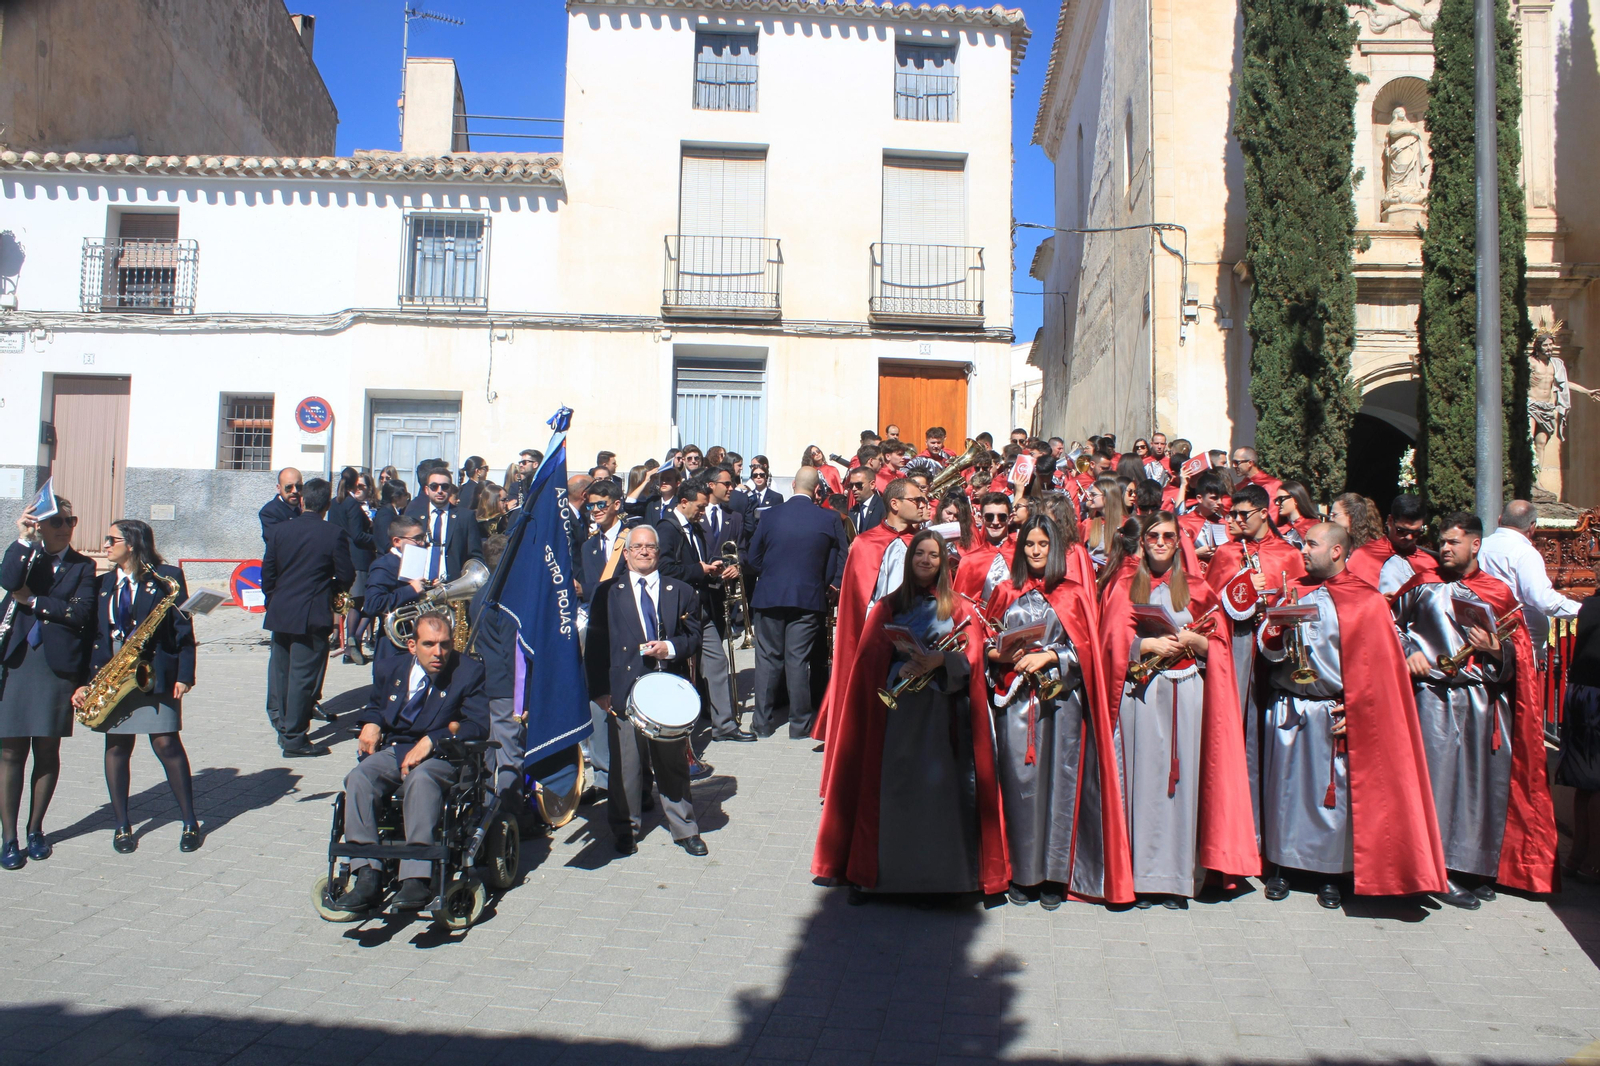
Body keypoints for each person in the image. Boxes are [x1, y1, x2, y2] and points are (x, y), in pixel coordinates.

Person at [1256, 523, 1447, 908]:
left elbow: (1381, 668)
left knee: (1334, 798)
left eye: (1311, 544)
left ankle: (1330, 874)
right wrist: (1275, 630)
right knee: (1285, 792)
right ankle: (1282, 868)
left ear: (1338, 551)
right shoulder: (1293, 588)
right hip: (1289, 705)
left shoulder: (1366, 600)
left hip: (1333, 709)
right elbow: (1266, 650)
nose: (1303, 551)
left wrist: (1361, 707)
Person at [812, 530, 1008, 898]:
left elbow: (975, 661)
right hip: (898, 719)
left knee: (941, 802)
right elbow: (867, 665)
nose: (926, 561)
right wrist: (895, 671)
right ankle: (889, 880)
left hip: (942, 718)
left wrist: (941, 660)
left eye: (933, 555)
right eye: (920, 554)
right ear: (910, 558)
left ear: (943, 562)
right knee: (895, 798)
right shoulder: (888, 607)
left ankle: (942, 882)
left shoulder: (962, 608)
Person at [1392, 513, 1559, 905]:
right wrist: (1410, 651)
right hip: (1434, 698)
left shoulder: (1498, 593)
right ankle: (1437, 871)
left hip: (1485, 702)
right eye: (1443, 542)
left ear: (1475, 545)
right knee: (1440, 785)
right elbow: (1388, 624)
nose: (1445, 549)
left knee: (1480, 790)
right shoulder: (1422, 585)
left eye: (1453, 542)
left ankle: (1471, 865)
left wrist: (1495, 649)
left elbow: (1521, 650)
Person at [1100, 512, 1257, 906]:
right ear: (1142, 541)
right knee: (1142, 782)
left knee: (1181, 784)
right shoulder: (1122, 585)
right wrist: (1146, 645)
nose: (1160, 542)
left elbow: (1220, 644)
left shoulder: (1198, 587)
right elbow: (1109, 639)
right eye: (1153, 535)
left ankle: (1176, 879)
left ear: (1178, 542)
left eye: (1168, 536)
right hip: (1141, 693)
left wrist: (1195, 642)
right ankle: (1138, 876)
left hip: (1187, 693)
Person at [983, 515, 1132, 908]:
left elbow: (1089, 651)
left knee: (1059, 787)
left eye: (1042, 545)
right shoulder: (1003, 590)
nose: (1035, 551)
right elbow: (984, 640)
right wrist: (1002, 655)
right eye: (1029, 544)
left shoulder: (1075, 594)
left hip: (1061, 703)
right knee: (1019, 787)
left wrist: (1051, 655)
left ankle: (1053, 875)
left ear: (1054, 550)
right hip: (1015, 704)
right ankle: (1021, 873)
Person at [331, 611, 490, 912]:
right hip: (397, 747)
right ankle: (367, 872)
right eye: (429, 644)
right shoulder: (390, 668)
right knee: (360, 777)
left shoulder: (468, 672)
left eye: (444, 644)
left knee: (422, 779)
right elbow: (377, 706)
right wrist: (372, 722)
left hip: (444, 753)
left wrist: (433, 739)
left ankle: (416, 877)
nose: (438, 652)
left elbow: (478, 724)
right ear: (412, 645)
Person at [76, 520, 200, 854]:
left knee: (166, 744)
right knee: (116, 748)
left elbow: (183, 631)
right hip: (115, 673)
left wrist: (184, 676)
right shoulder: (102, 583)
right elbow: (92, 637)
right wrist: (85, 683)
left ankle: (190, 821)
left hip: (154, 671)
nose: (105, 544)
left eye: (111, 539)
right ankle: (121, 825)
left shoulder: (166, 578)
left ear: (131, 543)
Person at [584, 525, 708, 856]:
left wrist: (668, 647)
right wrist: (599, 691)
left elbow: (694, 637)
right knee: (626, 767)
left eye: (649, 547)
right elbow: (595, 644)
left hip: (667, 690)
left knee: (673, 766)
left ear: (658, 552)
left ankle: (684, 828)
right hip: (623, 691)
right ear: (625, 554)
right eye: (636, 547)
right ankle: (625, 828)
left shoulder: (680, 590)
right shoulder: (607, 592)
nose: (643, 552)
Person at [0, 499, 96, 870]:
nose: (65, 526)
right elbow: (9, 582)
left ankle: (36, 828)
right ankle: (9, 837)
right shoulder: (27, 555)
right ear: (39, 524)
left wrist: (35, 600)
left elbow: (80, 614)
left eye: (70, 520)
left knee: (46, 749)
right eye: (55, 520)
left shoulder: (83, 566)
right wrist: (23, 539)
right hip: (20, 659)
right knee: (10, 752)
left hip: (56, 666)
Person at [1207, 482, 1306, 837]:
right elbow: (1209, 606)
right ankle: (1242, 827)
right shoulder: (1226, 553)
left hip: (1278, 650)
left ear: (1265, 513)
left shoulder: (1289, 553)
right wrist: (1241, 588)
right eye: (1231, 514)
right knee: (1241, 728)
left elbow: (1299, 597)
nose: (1234, 520)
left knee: (1273, 729)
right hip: (1239, 647)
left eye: (1242, 514)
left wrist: (1276, 600)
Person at [813, 478, 925, 754]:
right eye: (917, 500)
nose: (923, 505)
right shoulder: (866, 543)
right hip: (877, 639)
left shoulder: (922, 543)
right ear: (895, 504)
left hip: (917, 635)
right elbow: (859, 599)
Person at [747, 468, 848, 739]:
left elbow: (753, 557)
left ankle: (763, 723)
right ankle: (800, 725)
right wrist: (827, 583)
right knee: (797, 660)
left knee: (768, 658)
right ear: (817, 490)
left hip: (770, 595)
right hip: (808, 596)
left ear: (792, 485)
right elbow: (840, 557)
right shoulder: (829, 518)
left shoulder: (769, 515)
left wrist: (771, 574)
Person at [261, 478, 353, 758]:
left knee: (280, 672)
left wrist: (275, 598)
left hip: (281, 611)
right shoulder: (333, 533)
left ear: (302, 501)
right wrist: (333, 590)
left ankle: (282, 723)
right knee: (303, 677)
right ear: (327, 505)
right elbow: (347, 574)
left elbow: (268, 574)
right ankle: (294, 739)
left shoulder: (279, 531)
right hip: (312, 612)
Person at [655, 482, 746, 742]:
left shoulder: (694, 527)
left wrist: (713, 571)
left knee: (717, 662)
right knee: (681, 671)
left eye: (705, 507)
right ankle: (677, 729)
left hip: (700, 606)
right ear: (683, 502)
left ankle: (724, 725)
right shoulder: (667, 529)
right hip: (679, 611)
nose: (703, 512)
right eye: (700, 507)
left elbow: (696, 566)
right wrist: (699, 570)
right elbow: (664, 569)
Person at [1477, 500, 1582, 655]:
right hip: (1519, 642)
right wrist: (1583, 611)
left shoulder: (1481, 546)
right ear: (1532, 526)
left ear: (1500, 519)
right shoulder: (1525, 553)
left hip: (1485, 632)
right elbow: (1543, 600)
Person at [465, 535, 524, 797]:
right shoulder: (506, 599)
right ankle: (510, 811)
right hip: (505, 685)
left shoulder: (480, 594)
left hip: (486, 682)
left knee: (489, 751)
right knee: (509, 752)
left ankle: (485, 805)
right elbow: (512, 650)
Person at [1557, 593, 1600, 883]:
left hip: (1581, 693)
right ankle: (1593, 861)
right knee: (1597, 784)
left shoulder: (1590, 604)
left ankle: (1576, 858)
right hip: (1597, 696)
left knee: (1585, 785)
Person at [363, 516, 427, 677]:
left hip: (417, 641)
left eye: (423, 537)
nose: (423, 543)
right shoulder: (384, 565)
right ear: (397, 541)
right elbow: (372, 604)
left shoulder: (418, 561)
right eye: (417, 539)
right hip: (393, 647)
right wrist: (411, 590)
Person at [329, 467, 378, 667]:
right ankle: (354, 640)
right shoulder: (351, 505)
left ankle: (351, 646)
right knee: (362, 602)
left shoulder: (335, 503)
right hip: (359, 558)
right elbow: (358, 535)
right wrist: (376, 540)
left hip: (341, 557)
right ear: (353, 484)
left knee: (352, 603)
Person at [1345, 493, 1436, 596]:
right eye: (1402, 531)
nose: (1409, 537)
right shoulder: (1363, 557)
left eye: (1416, 533)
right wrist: (1380, 602)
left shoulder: (1428, 563)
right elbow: (1349, 598)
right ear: (1390, 521)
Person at [403, 466, 484, 582]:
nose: (439, 490)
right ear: (426, 490)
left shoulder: (465, 517)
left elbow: (475, 557)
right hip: (419, 585)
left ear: (450, 490)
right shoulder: (414, 515)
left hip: (452, 588)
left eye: (444, 487)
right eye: (434, 486)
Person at [579, 480, 635, 607]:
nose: (595, 510)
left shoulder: (633, 538)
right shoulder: (587, 547)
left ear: (616, 505)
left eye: (601, 504)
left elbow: (633, 581)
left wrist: (586, 590)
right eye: (590, 506)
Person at [954, 492, 1014, 606]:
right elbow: (960, 605)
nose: (995, 522)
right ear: (981, 518)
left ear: (1010, 518)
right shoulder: (969, 561)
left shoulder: (1023, 553)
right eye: (989, 517)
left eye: (1002, 517)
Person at [259, 468, 302, 543]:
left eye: (298, 486)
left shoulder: (305, 507)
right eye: (289, 487)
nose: (295, 491)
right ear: (279, 488)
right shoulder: (269, 512)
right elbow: (277, 542)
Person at [1271, 480, 1318, 547]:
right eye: (1277, 500)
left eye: (1281, 499)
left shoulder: (1312, 526)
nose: (1278, 504)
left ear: (1296, 499)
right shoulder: (1281, 529)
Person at [372, 478, 410, 551]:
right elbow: (386, 543)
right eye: (405, 494)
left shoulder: (394, 511)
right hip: (386, 558)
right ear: (395, 497)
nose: (407, 498)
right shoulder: (385, 515)